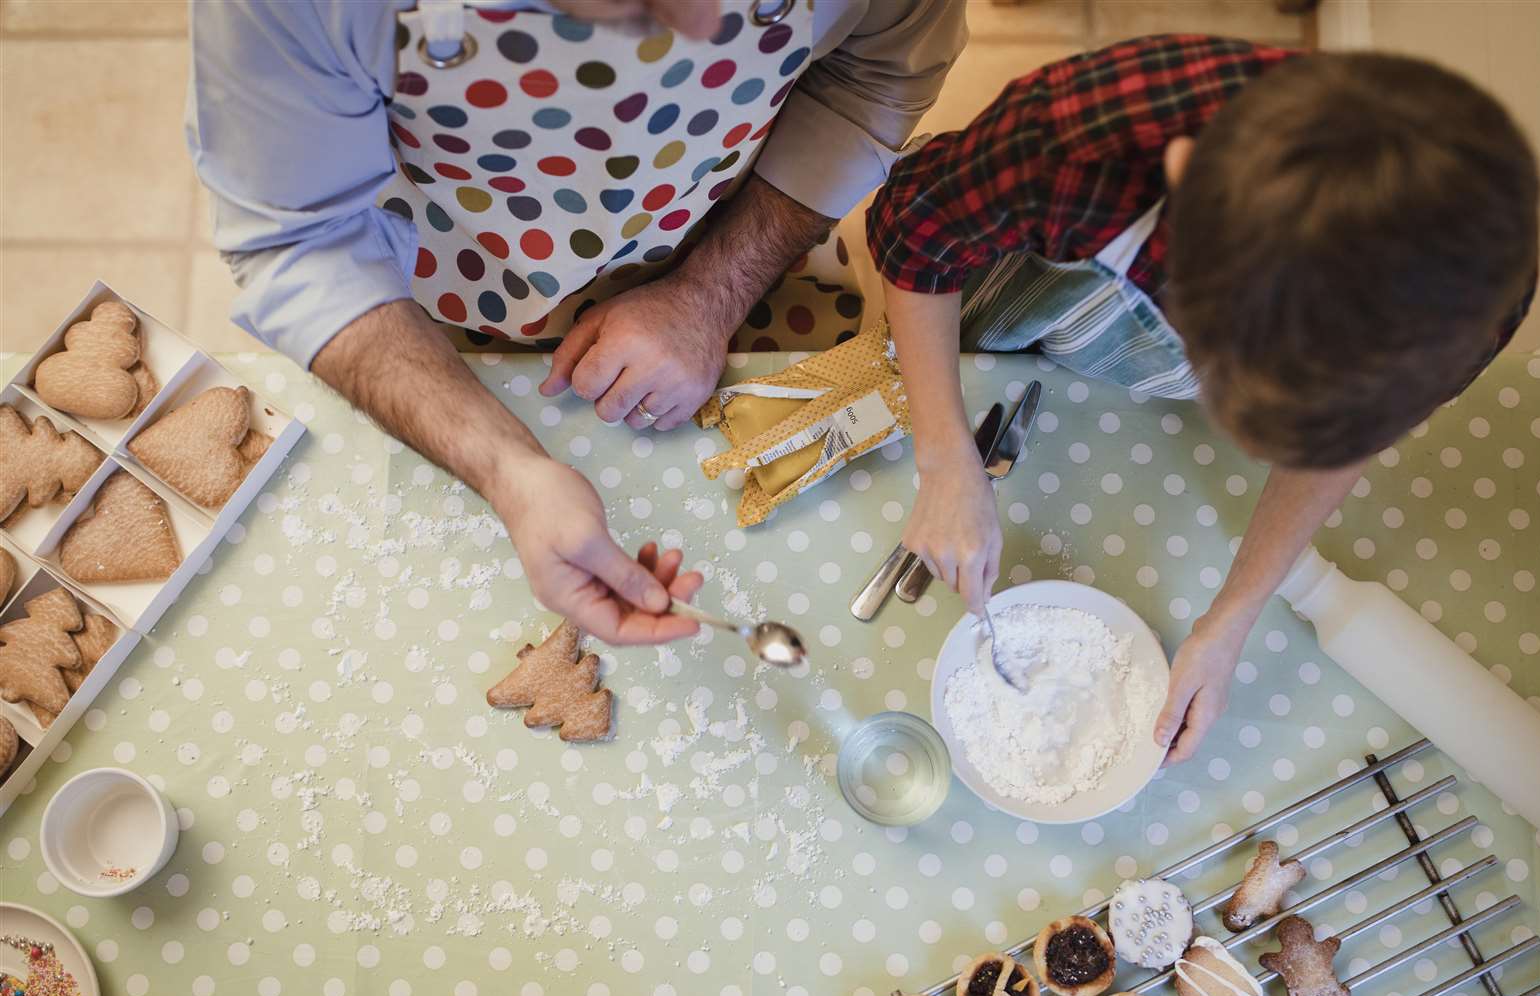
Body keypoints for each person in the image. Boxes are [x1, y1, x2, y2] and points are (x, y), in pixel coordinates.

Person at [187, 0, 965, 644]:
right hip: (443, 291)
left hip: (745, 225)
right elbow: (305, 242)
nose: (699, 25)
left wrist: (711, 292)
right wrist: (512, 471)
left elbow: (872, 80)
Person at [866, 35, 1539, 763]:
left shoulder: (1473, 295)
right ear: (1186, 183)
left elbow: (1352, 433)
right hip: (1013, 288)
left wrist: (1232, 616)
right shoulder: (1072, 143)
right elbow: (917, 238)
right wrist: (944, 454)